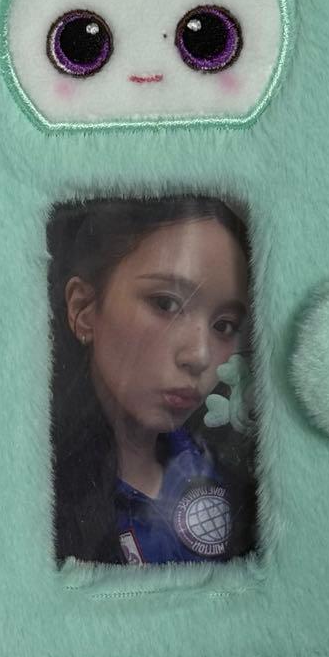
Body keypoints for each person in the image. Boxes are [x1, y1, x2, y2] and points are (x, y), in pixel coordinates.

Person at [48, 196, 258, 565]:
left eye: (224, 326)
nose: (200, 356)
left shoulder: (228, 479)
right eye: (166, 304)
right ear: (83, 309)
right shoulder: (35, 495)